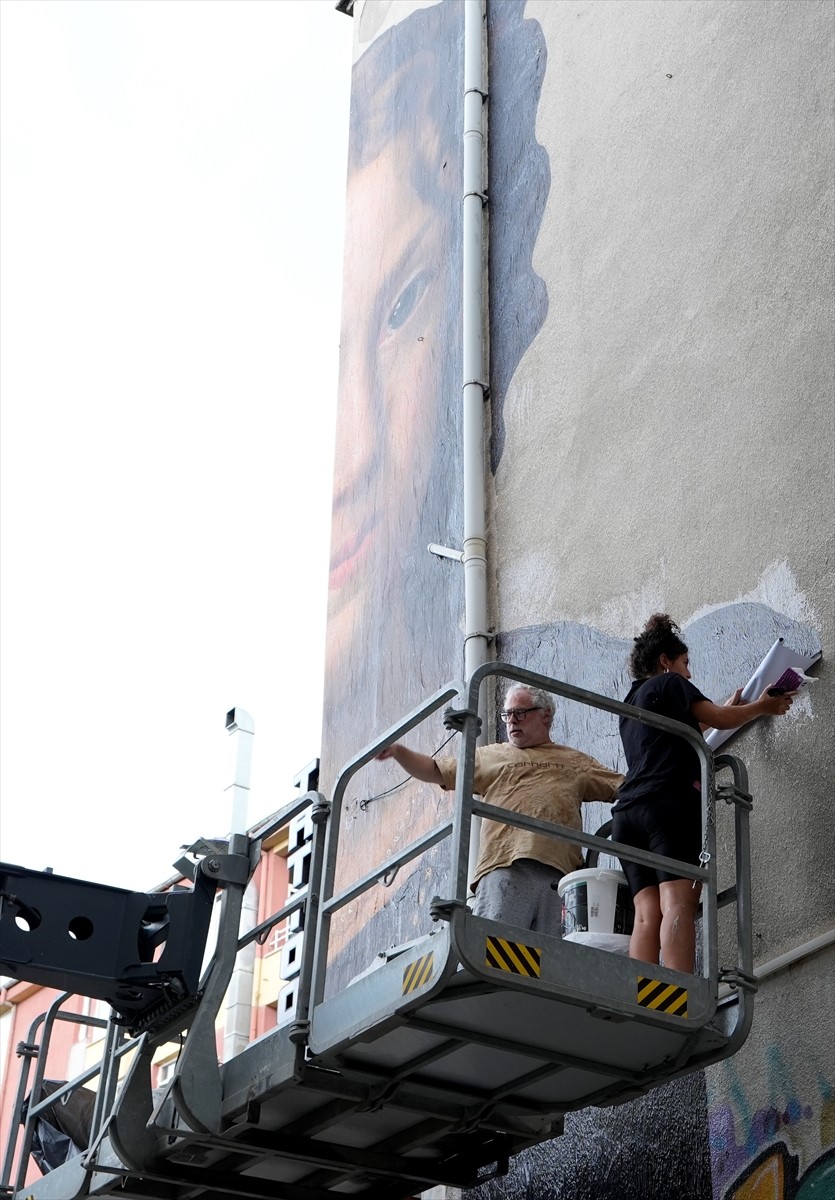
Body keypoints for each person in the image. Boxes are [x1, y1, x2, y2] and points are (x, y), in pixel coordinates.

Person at [611, 613, 794, 973]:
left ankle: (644, 1002)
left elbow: (690, 726)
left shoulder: (631, 702)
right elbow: (719, 720)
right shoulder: (671, 684)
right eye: (685, 663)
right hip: (666, 806)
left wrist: (730, 706)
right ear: (665, 661)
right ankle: (678, 998)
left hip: (626, 817)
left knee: (647, 914)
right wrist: (764, 706)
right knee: (678, 903)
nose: (689, 674)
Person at [377, 683, 624, 932]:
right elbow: (436, 770)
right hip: (505, 868)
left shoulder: (574, 761)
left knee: (551, 963)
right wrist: (399, 752)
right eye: (507, 715)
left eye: (520, 713)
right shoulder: (492, 756)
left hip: (560, 877)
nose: (511, 721)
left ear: (546, 714)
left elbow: (623, 787)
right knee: (495, 953)